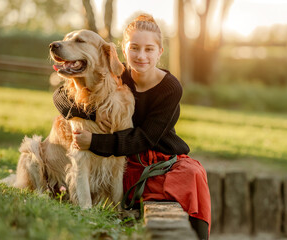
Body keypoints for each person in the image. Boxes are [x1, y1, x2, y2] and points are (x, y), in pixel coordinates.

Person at [53, 14, 211, 240]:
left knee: (194, 174)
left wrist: (95, 142)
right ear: (124, 51)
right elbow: (60, 96)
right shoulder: (116, 73)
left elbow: (146, 136)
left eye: (149, 49)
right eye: (134, 48)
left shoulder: (171, 88)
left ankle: (199, 236)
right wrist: (95, 113)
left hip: (154, 152)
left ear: (160, 52)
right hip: (123, 158)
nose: (141, 56)